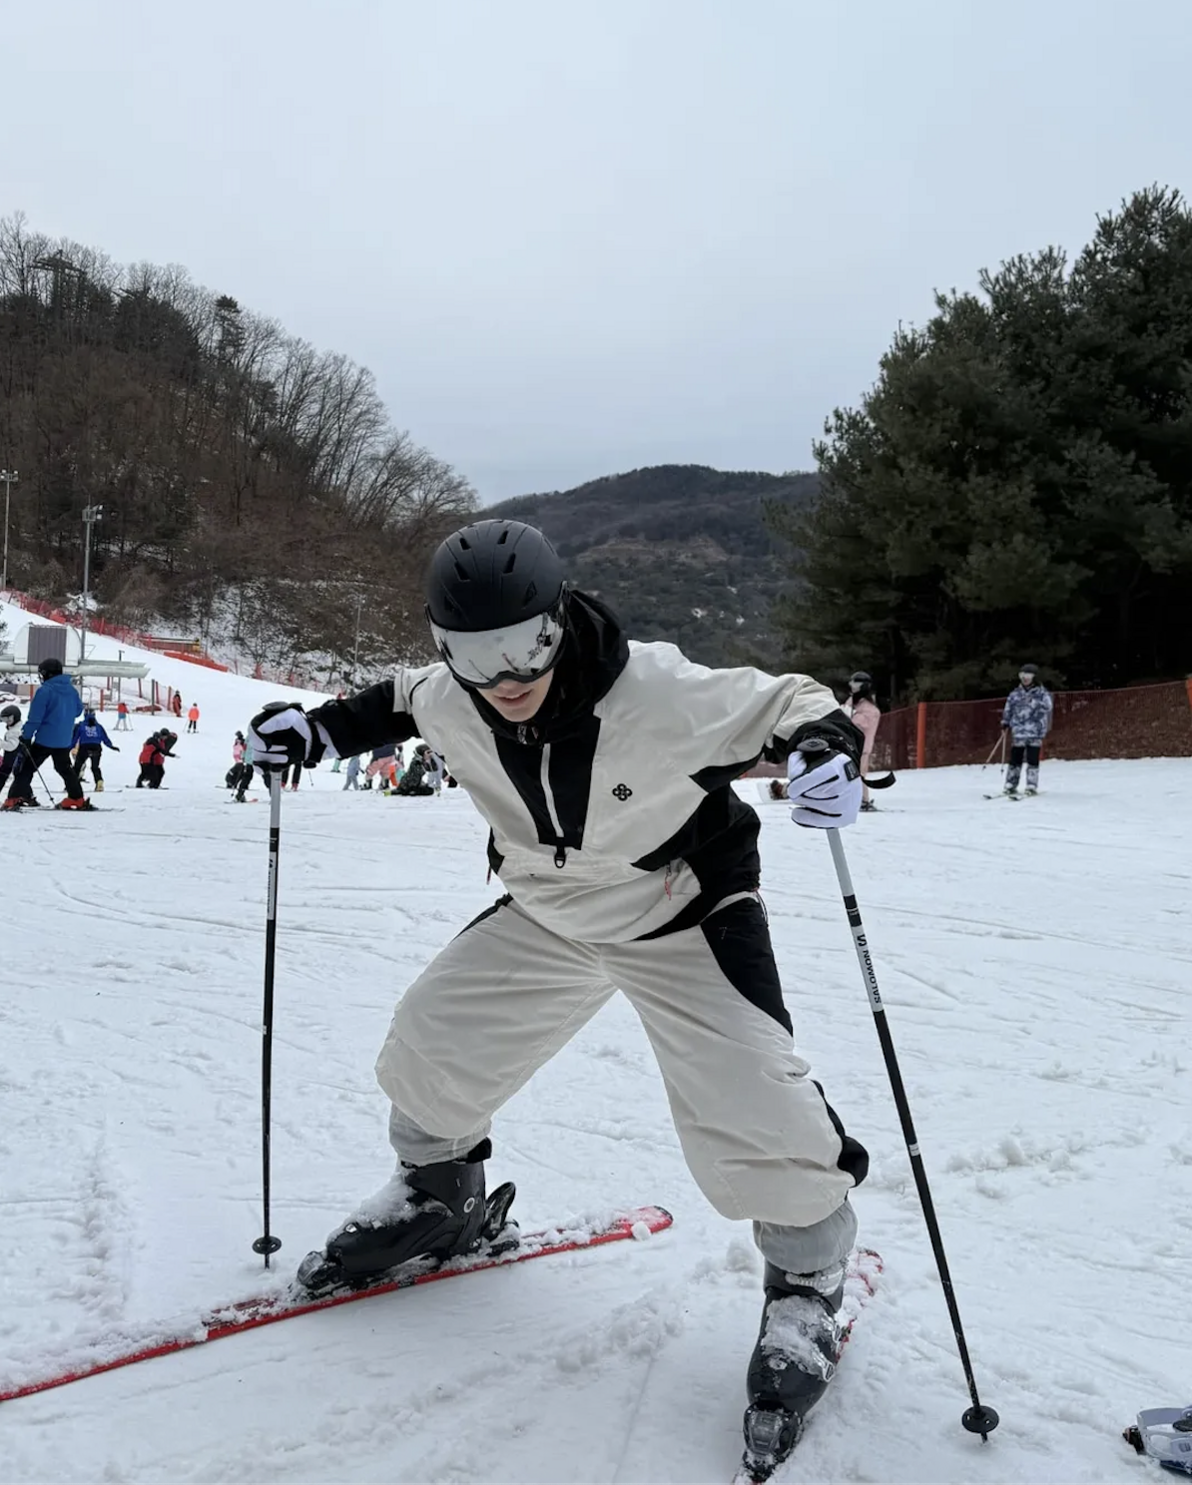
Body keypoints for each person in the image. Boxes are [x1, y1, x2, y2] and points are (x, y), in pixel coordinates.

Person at [248, 519, 869, 1452]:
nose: (505, 675)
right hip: (550, 908)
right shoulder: (453, 693)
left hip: (679, 908)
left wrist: (829, 751)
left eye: (525, 644)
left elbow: (791, 700)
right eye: (473, 651)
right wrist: (313, 728)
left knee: (751, 1100)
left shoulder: (657, 691)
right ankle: (440, 1194)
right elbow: (391, 703)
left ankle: (808, 1284)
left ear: (560, 616)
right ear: (441, 644)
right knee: (430, 1044)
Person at [2, 659, 86, 810]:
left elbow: (34, 719)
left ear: (47, 674)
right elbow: (78, 711)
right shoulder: (72, 690)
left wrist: (26, 736)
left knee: (26, 769)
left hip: (45, 739)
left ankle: (13, 798)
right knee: (64, 768)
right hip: (64, 739)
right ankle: (77, 798)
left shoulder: (44, 691)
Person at [1001, 662, 1053, 796]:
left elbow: (1048, 706)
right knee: (1015, 759)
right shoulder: (1015, 694)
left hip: (1035, 732)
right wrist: (1005, 722)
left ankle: (1031, 784)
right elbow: (1008, 709)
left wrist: (1034, 703)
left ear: (1034, 677)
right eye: (1022, 675)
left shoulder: (1041, 693)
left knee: (1032, 759)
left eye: (1028, 675)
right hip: (1019, 732)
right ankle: (1011, 783)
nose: (1025, 678)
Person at [841, 672, 882, 812]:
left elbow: (861, 723)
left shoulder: (869, 707)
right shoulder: (853, 701)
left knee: (859, 773)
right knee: (846, 773)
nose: (851, 685)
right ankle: (849, 798)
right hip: (849, 745)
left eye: (855, 682)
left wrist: (848, 716)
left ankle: (863, 800)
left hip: (862, 747)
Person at [71, 708, 118, 792]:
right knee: (95, 767)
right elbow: (105, 738)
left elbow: (75, 739)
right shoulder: (99, 726)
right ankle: (99, 782)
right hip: (96, 747)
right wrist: (111, 746)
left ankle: (72, 785)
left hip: (84, 747)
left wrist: (69, 747)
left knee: (77, 767)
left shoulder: (80, 725)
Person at [0, 706, 24, 805]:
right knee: (20, 776)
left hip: (12, 759)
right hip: (14, 758)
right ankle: (27, 795)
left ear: (14, 718)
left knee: (1, 778)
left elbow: (11, 746)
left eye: (7, 719)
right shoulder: (16, 728)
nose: (5, 722)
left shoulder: (14, 731)